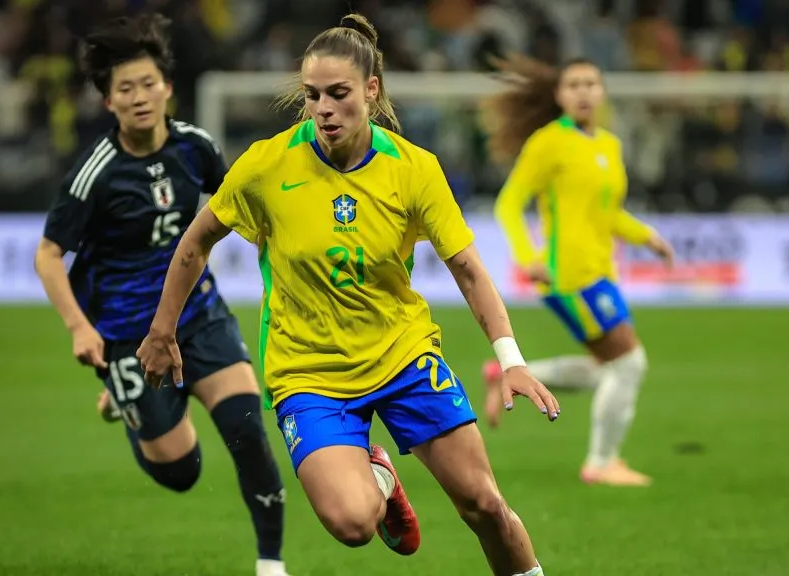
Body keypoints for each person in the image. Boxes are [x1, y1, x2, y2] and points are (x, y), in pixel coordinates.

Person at [136, 13, 558, 576]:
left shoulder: (414, 170)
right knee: (354, 523)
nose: (324, 109)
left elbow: (469, 269)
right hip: (309, 371)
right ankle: (380, 477)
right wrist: (162, 331)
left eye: (339, 94)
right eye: (312, 96)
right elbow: (195, 243)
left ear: (372, 90)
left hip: (403, 356)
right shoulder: (267, 165)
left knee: (484, 505)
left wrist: (512, 359)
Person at [33, 14, 290, 576]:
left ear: (168, 88)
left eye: (149, 84)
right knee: (182, 472)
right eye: (125, 88)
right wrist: (80, 327)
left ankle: (271, 564)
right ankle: (127, 404)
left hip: (199, 316)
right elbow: (48, 254)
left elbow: (235, 211)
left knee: (249, 432)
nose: (140, 96)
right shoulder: (94, 173)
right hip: (125, 335)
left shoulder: (195, 147)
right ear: (108, 102)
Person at [480, 54, 675, 487]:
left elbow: (608, 215)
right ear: (559, 95)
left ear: (603, 91)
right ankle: (602, 463)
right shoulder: (549, 143)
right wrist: (526, 254)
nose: (584, 92)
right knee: (628, 363)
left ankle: (505, 375)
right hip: (566, 276)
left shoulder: (609, 145)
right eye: (574, 85)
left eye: (591, 83)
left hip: (600, 271)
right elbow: (509, 203)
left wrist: (648, 237)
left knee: (607, 365)